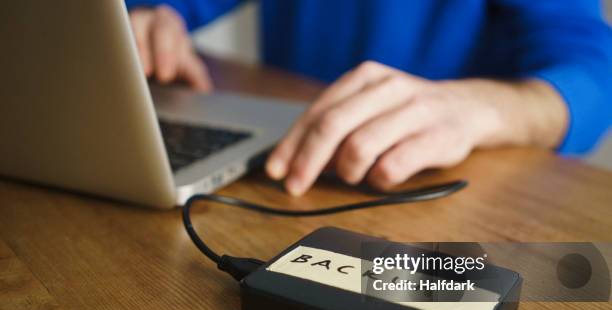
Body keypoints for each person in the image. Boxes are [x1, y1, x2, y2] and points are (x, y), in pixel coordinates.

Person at [126, 0, 612, 196]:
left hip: (442, 210)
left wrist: (483, 107)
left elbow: (595, 75)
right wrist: (152, 15)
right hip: (278, 180)